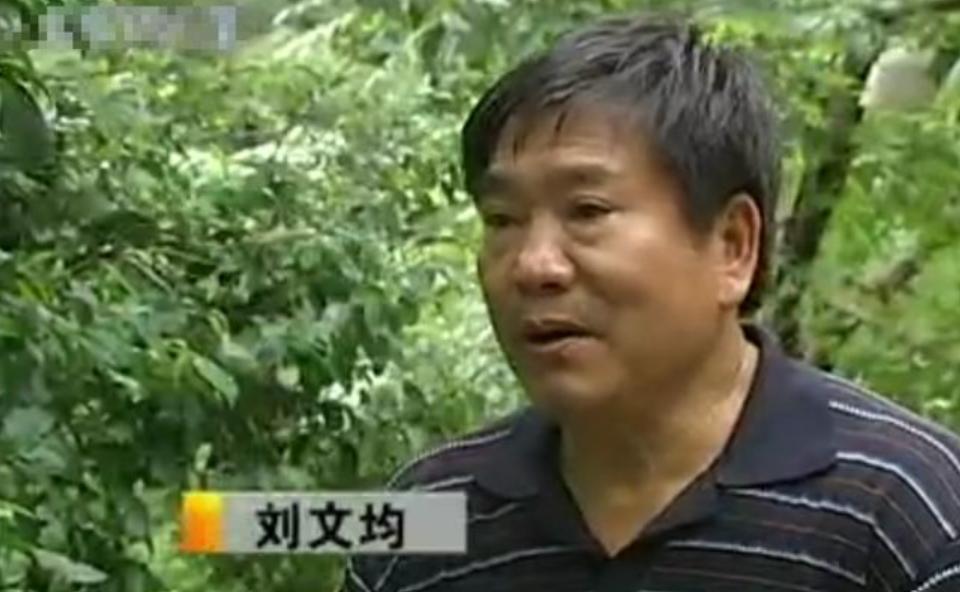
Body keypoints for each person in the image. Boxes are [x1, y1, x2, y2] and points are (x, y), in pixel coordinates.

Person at [343, 14, 960, 592]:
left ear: (732, 246)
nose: (533, 265)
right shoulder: (423, 519)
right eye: (502, 219)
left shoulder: (913, 514)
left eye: (587, 211)